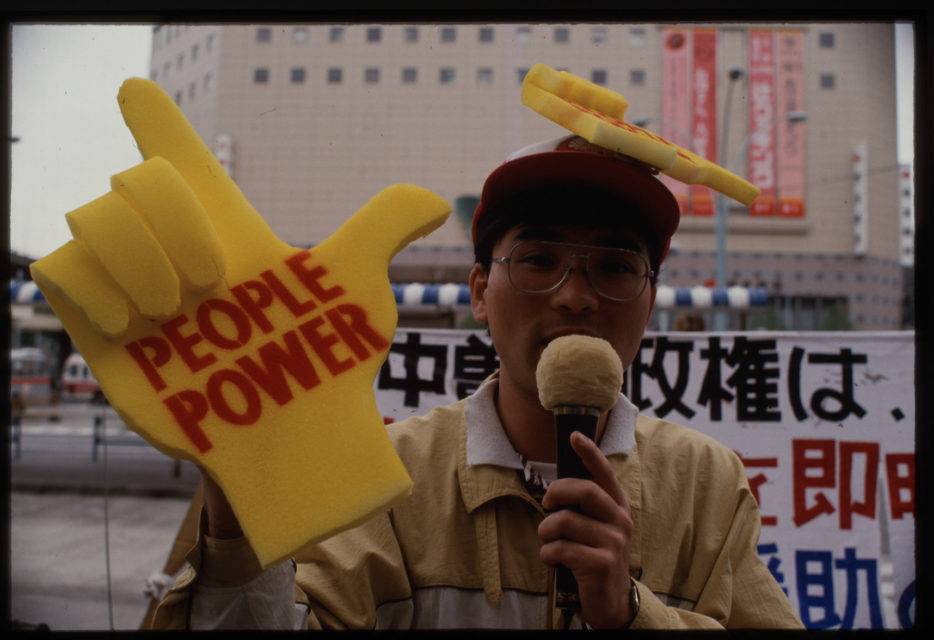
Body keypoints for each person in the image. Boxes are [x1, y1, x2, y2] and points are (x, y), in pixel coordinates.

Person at [151, 134, 804, 630]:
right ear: (480, 295)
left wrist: (634, 615)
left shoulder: (707, 483)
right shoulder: (387, 479)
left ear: (649, 300)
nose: (575, 296)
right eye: (538, 260)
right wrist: (237, 513)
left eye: (614, 266)